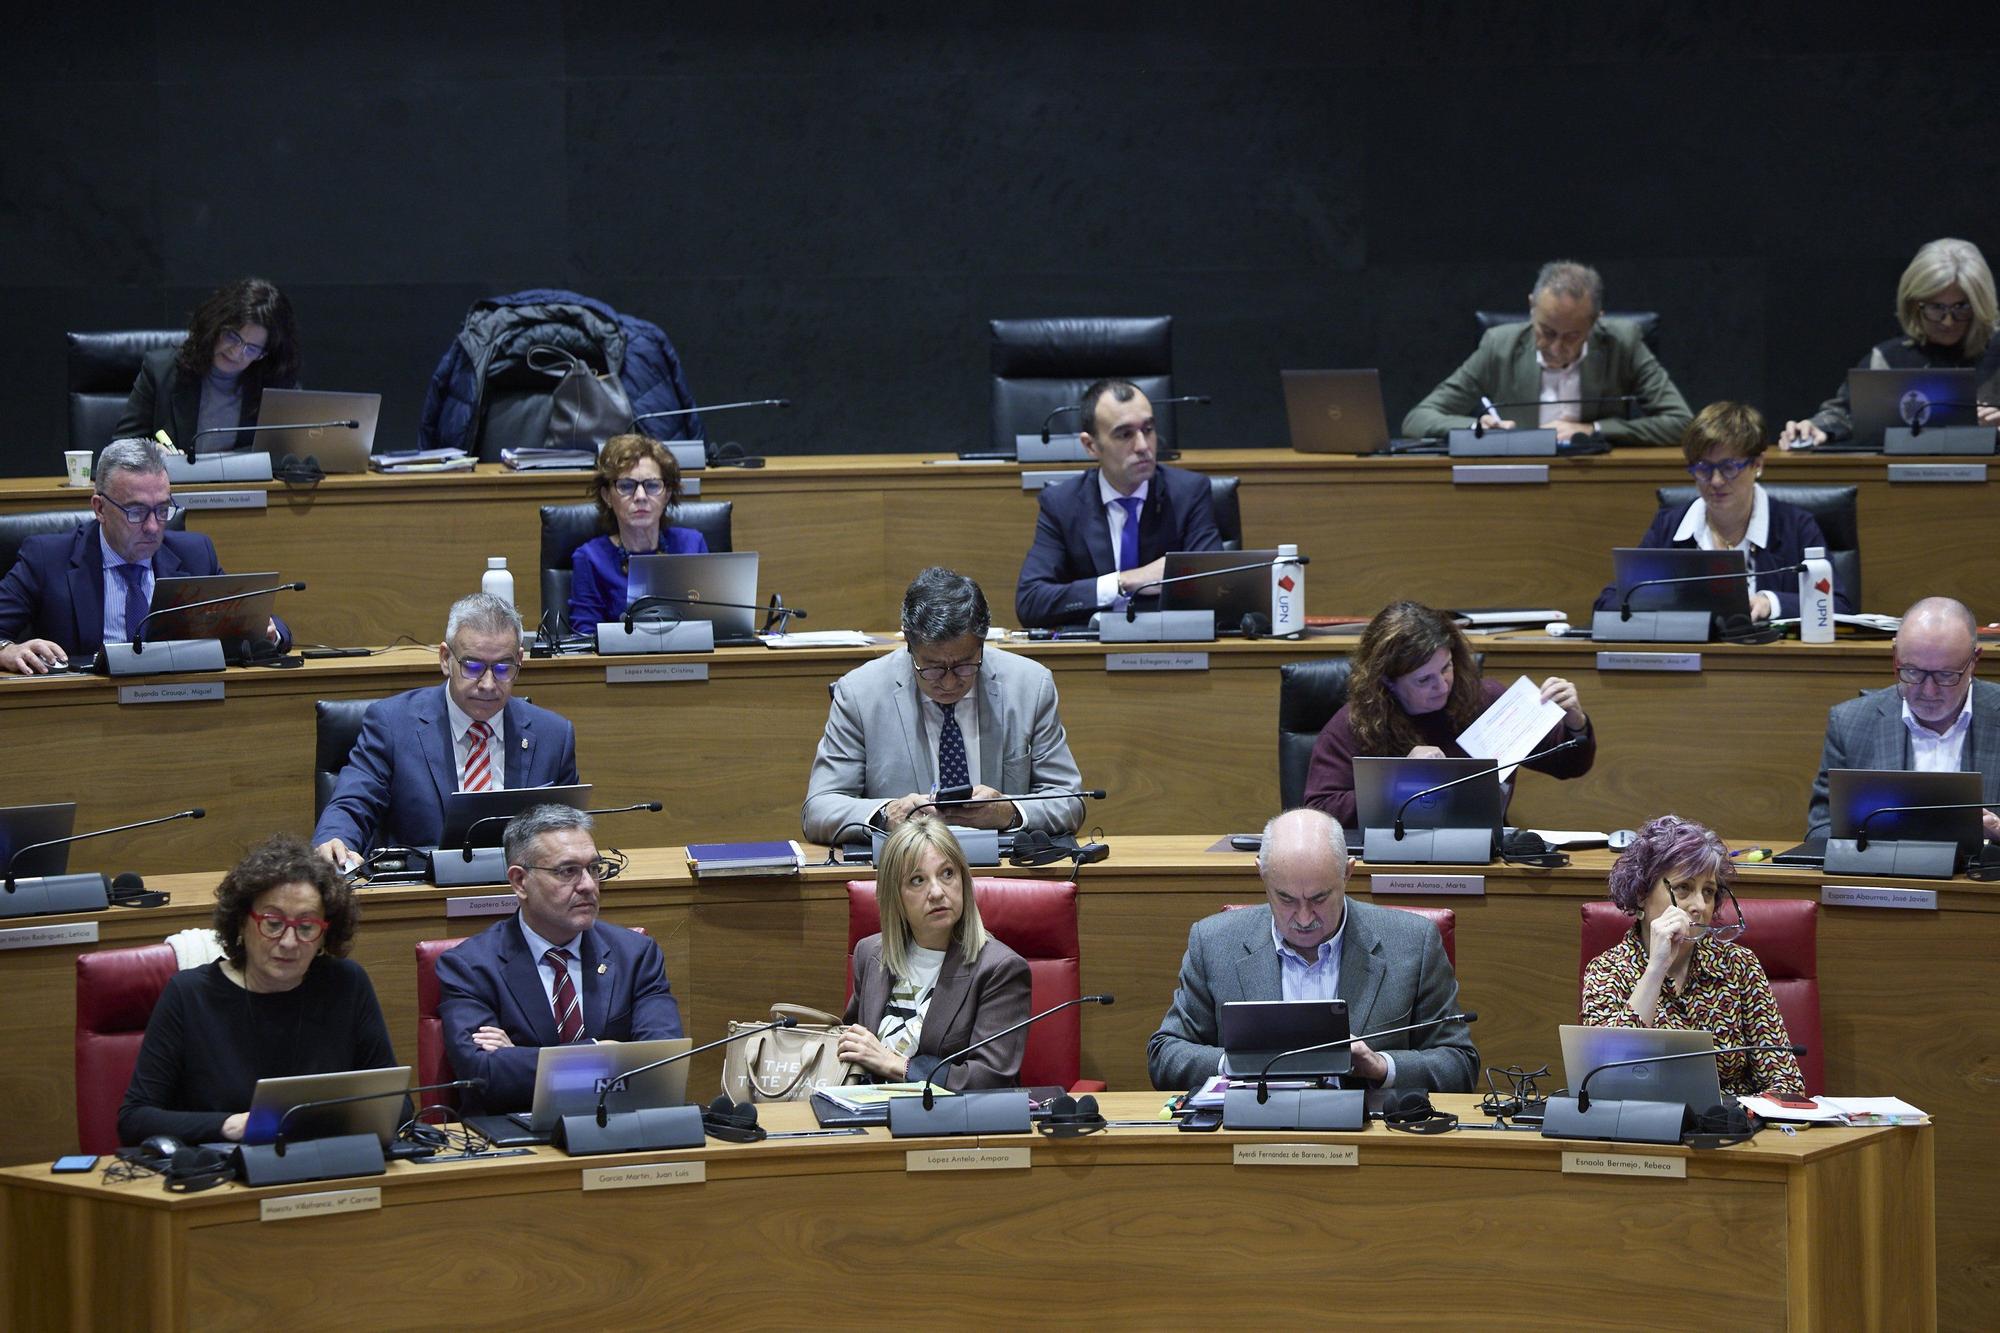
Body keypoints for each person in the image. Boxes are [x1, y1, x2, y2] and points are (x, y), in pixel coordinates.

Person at [1147, 808, 1478, 1091]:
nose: (1304, 918)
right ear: (1260, 873)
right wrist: (1232, 1063)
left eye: (1319, 898)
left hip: (1369, 1140)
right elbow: (1165, 1054)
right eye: (1286, 899)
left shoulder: (1413, 942)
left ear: (1348, 872)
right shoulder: (1214, 942)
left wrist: (1381, 1066)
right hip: (1255, 1134)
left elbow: (1460, 1063)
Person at [119, 835, 395, 1144]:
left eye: (306, 927)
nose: (289, 942)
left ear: (324, 934)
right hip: (221, 1176)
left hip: (327, 1172)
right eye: (273, 923)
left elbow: (396, 1106)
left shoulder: (347, 984)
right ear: (240, 923)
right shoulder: (189, 995)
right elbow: (134, 1119)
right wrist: (227, 1126)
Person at [802, 567, 1086, 844]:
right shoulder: (861, 693)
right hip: (905, 874)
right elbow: (820, 809)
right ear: (909, 644)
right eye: (934, 668)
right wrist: (887, 815)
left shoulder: (1029, 686)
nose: (949, 684)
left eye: (964, 666)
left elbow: (1069, 801)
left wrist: (1008, 812)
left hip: (1003, 871)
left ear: (982, 644)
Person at [434, 804, 683, 1113]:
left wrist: (524, 1057)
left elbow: (662, 1062)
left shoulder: (635, 955)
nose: (589, 885)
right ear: (520, 882)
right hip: (518, 1136)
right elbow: (482, 1073)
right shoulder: (469, 966)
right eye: (568, 871)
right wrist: (599, 1051)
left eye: (594, 868)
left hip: (619, 1131)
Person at [313, 593, 579, 865]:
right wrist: (336, 839)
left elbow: (569, 836)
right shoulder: (392, 724)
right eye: (473, 666)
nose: (488, 684)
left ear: (520, 661)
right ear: (445, 659)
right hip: (424, 896)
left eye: (502, 668)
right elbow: (354, 802)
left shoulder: (554, 737)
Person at [0, 438, 289, 675]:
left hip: (177, 708)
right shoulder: (46, 558)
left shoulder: (194, 555)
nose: (153, 527)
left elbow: (264, 624)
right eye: (136, 512)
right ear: (99, 508)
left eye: (163, 510)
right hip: (83, 712)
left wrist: (270, 632)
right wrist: (7, 650)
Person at [1303, 600, 1595, 827]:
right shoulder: (1356, 724)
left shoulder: (1486, 701)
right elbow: (1319, 812)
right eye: (1423, 680)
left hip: (1485, 856)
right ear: (1387, 682)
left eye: (1446, 668)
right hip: (1394, 858)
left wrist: (1575, 724)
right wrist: (1400, 780)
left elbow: (1569, 765)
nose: (1441, 685)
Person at [1582, 815, 1805, 1097]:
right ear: (1641, 894)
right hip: (1643, 1129)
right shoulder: (1607, 971)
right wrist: (1656, 968)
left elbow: (1786, 1084)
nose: (1699, 905)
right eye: (1683, 888)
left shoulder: (1739, 966)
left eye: (1708, 892)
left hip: (1732, 1129)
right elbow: (1606, 1076)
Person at [1592, 402, 1857, 622]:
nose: (1716, 481)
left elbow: (1839, 605)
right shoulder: (1671, 526)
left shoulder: (1795, 526)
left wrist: (1770, 603)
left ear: (1757, 464)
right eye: (1703, 468)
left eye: (1729, 467)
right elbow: (1610, 601)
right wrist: (1676, 603)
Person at [1401, 260, 1692, 446]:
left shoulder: (1622, 343)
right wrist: (1477, 426)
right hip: (1519, 479)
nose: (1555, 347)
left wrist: (1592, 430)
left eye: (1572, 336)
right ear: (1531, 307)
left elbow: (1681, 424)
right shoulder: (1499, 346)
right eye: (1547, 332)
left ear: (1595, 322)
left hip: (1594, 478)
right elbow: (1418, 419)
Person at [838, 818, 1032, 1088]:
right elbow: (853, 1046)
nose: (937, 892)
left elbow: (989, 1078)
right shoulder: (870, 954)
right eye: (917, 880)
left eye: (947, 873)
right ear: (895, 897)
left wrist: (896, 1065)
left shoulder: (999, 969)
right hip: (870, 1119)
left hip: (945, 1123)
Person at [1014, 379, 1224, 628]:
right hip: (1093, 654)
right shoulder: (1062, 504)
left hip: (1170, 649)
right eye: (1125, 434)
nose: (1143, 446)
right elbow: (1030, 602)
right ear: (1090, 446)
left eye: (1148, 429)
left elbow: (1215, 593)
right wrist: (1123, 582)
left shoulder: (1189, 494)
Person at [1806, 596, 2000, 842]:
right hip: (1886, 877)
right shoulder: (1850, 723)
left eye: (1945, 675)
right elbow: (1820, 832)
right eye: (1913, 671)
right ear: (1895, 658)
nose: (1929, 691)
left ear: (1974, 661)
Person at [1780, 238, 2000, 447]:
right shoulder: (1888, 358)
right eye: (1936, 307)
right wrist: (1813, 428)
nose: (1948, 321)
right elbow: (1845, 413)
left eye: (1961, 307)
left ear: (1980, 305)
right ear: (1914, 305)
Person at [113, 277, 302, 455]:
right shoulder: (162, 371)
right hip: (173, 487)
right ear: (215, 326)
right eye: (232, 336)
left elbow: (289, 456)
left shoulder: (277, 385)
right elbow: (121, 447)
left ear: (265, 354)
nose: (236, 353)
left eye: (252, 348)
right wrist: (153, 452)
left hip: (247, 488)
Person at [567, 432, 711, 638]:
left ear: (667, 494)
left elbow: (711, 625)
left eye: (652, 485)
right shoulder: (590, 558)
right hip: (618, 668)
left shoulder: (692, 545)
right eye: (626, 486)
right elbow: (584, 639)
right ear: (607, 495)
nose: (641, 497)